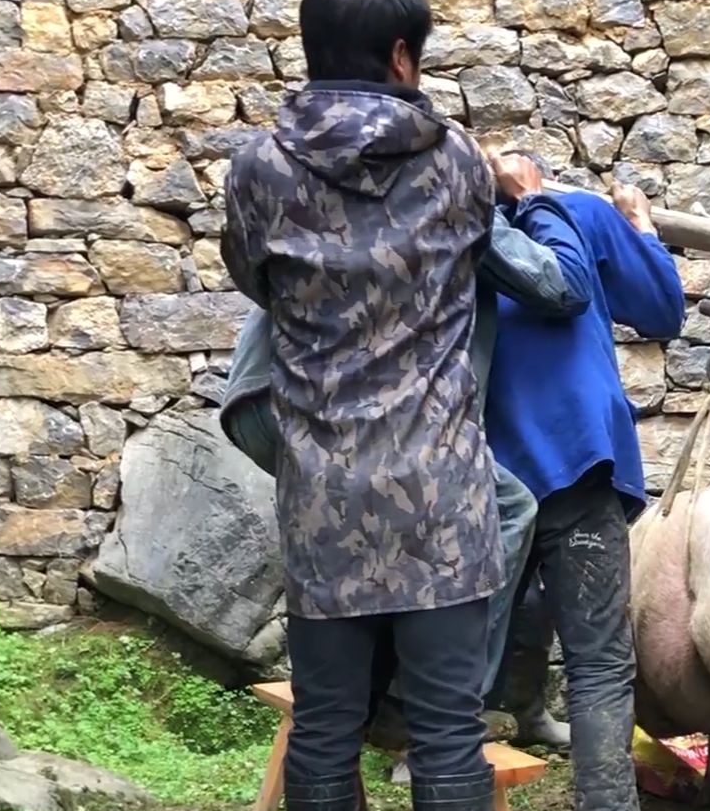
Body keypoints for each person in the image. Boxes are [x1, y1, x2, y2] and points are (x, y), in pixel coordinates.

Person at [219, 0, 524, 811]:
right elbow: (490, 267)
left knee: (325, 728)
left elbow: (253, 279)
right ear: (402, 56)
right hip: (440, 494)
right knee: (445, 731)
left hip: (326, 494)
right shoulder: (460, 165)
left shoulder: (260, 167)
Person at [218, 155, 593, 753]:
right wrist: (532, 200)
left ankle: (370, 699)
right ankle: (433, 704)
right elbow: (559, 285)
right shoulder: (445, 198)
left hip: (261, 402)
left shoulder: (338, 189)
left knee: (391, 535)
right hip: (326, 408)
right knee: (505, 508)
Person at [481, 156, 685, 811]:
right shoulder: (576, 211)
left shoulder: (436, 227)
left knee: (462, 664)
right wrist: (644, 228)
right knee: (600, 669)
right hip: (579, 460)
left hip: (481, 474)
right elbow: (663, 310)